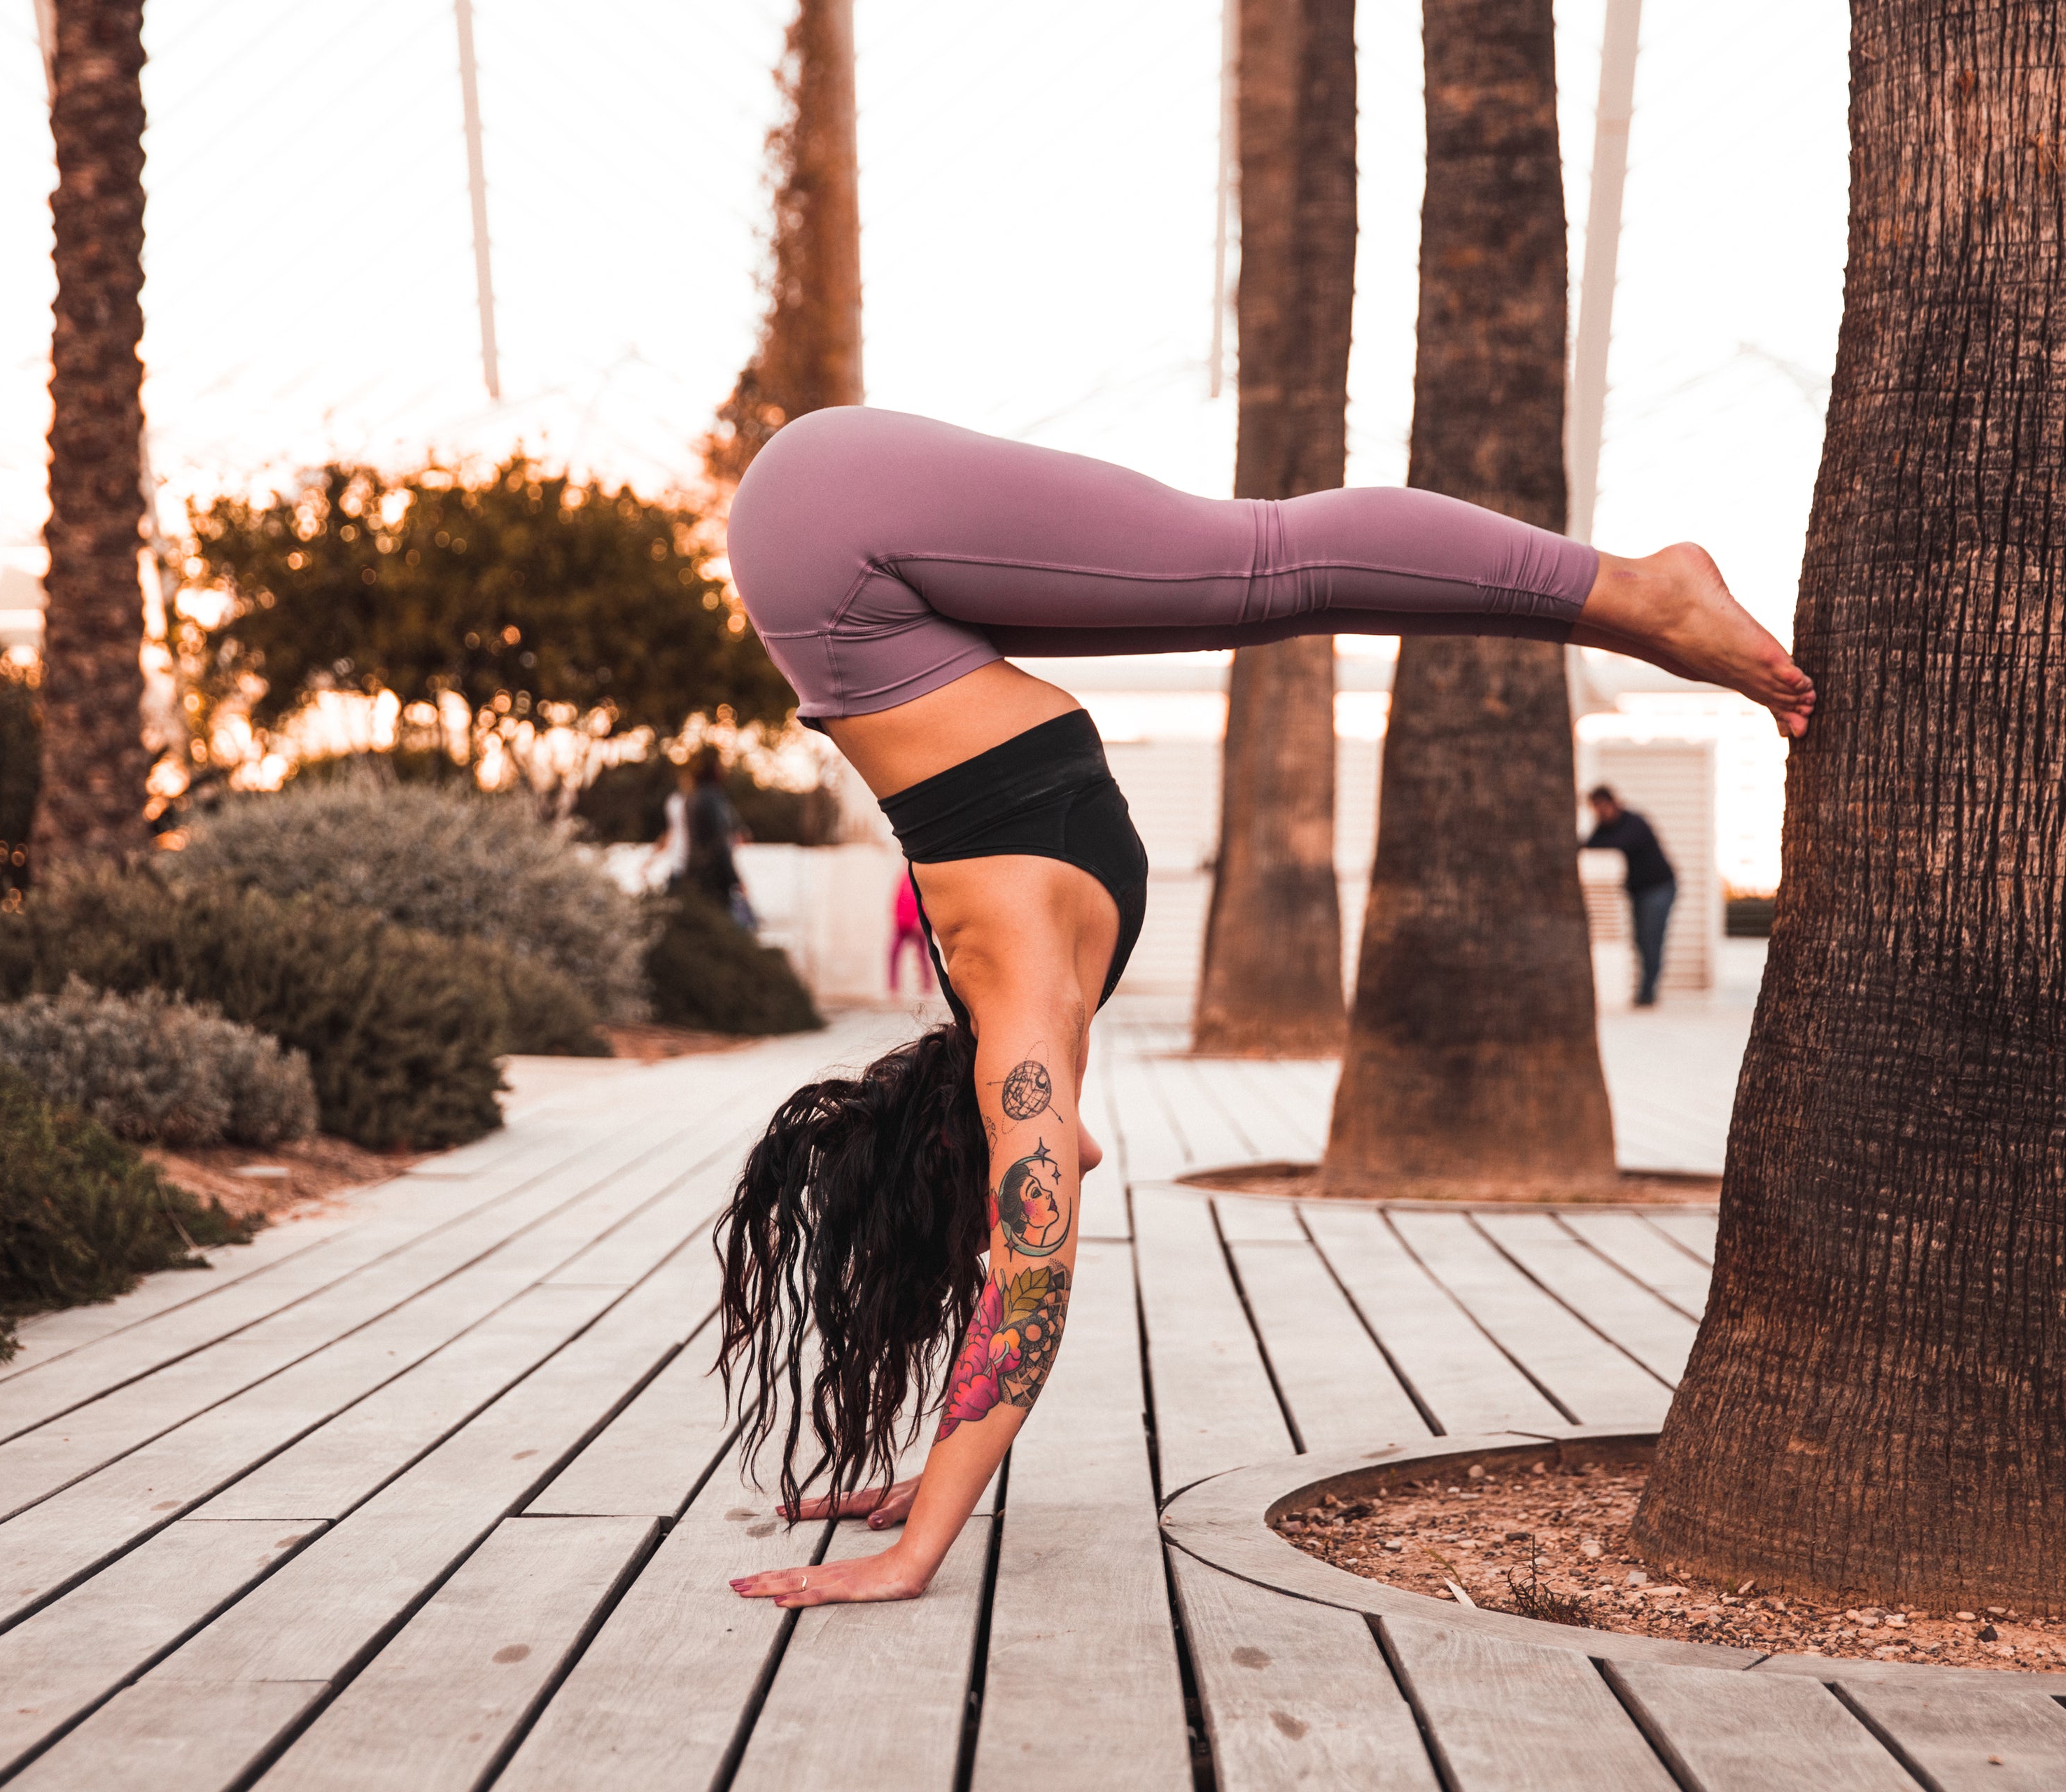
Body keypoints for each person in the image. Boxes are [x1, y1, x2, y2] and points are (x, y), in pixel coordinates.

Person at [714, 407, 1811, 1611]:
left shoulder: (1019, 1020)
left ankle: (1646, 592)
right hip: (850, 580)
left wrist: (916, 1549)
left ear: (961, 1144)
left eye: (972, 1213)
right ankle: (1629, 602)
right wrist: (928, 1478)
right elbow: (1046, 1179)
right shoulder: (1010, 1028)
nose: (1008, 1217)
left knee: (1269, 566)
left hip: (835, 538)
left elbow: (1030, 1290)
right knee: (1270, 583)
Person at [1583, 785, 1678, 1007]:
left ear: (1612, 803)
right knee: (1640, 940)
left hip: (1659, 888)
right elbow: (1591, 844)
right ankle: (1645, 990)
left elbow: (1618, 843)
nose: (1600, 812)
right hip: (1639, 893)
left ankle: (1648, 993)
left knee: (1651, 939)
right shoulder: (1604, 828)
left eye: (1601, 806)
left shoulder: (1634, 822)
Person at [679, 758, 755, 930]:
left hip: (694, 871)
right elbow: (719, 843)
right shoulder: (713, 798)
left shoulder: (692, 797)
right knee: (721, 927)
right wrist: (735, 879)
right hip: (714, 875)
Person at [889, 866, 935, 997]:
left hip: (918, 924)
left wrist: (923, 922)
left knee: (924, 956)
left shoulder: (921, 877)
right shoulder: (904, 876)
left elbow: (926, 902)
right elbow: (897, 899)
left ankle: (927, 988)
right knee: (894, 954)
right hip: (902, 925)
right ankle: (893, 989)